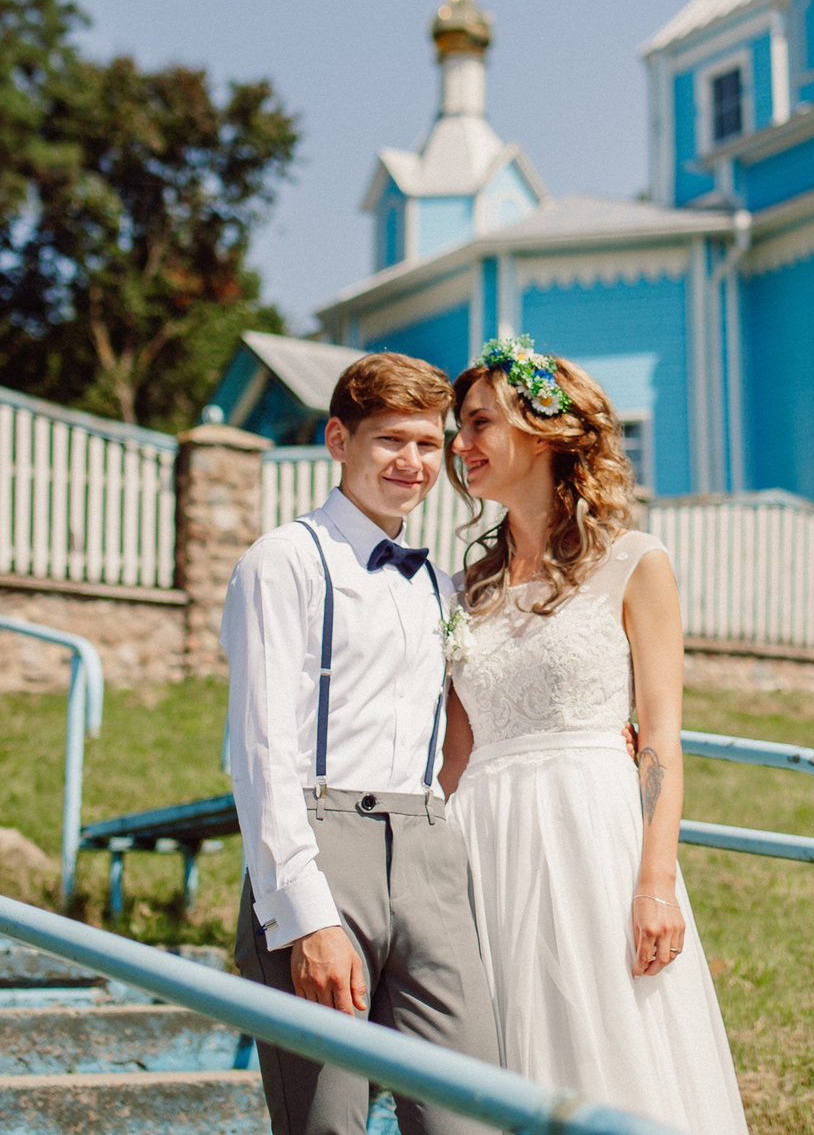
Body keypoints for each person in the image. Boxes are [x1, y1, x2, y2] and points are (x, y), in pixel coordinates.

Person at [438, 335, 751, 1135]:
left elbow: (660, 743)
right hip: (485, 840)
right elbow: (456, 753)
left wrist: (655, 882)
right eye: (458, 427)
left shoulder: (635, 563)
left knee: (608, 1042)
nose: (458, 444)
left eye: (478, 424)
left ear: (540, 429)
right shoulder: (461, 586)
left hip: (591, 836)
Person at [223, 351, 501, 1135]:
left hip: (428, 854)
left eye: (427, 443)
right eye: (391, 441)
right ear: (338, 440)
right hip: (318, 850)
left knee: (469, 1114)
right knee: (327, 1125)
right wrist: (306, 917)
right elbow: (261, 753)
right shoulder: (281, 562)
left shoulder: (439, 583)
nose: (413, 463)